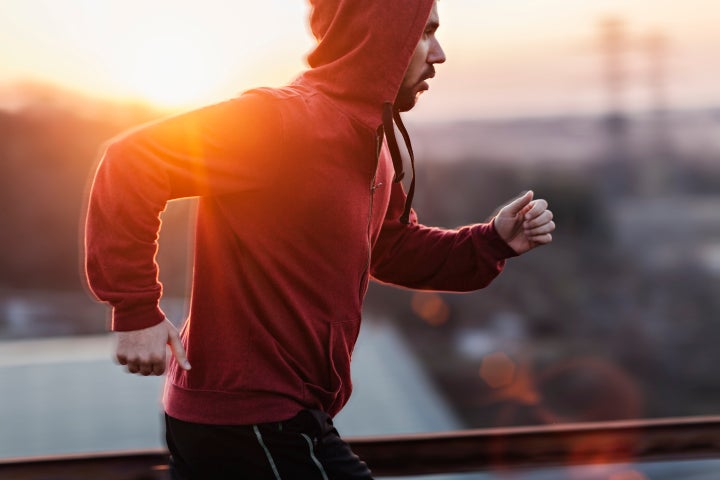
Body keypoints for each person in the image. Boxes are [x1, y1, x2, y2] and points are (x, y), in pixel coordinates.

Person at [84, 0, 555, 478]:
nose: (439, 54)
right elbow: (130, 162)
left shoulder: (372, 141)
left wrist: (492, 241)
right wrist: (136, 309)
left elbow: (390, 247)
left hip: (273, 415)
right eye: (425, 32)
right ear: (381, 36)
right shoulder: (282, 121)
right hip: (251, 417)